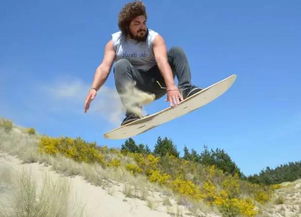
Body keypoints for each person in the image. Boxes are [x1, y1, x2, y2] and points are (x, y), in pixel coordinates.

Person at [84, 1, 201, 125]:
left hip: (159, 82)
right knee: (120, 65)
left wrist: (171, 87)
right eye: (137, 23)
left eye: (144, 22)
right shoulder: (114, 43)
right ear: (127, 26)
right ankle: (133, 112)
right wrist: (94, 88)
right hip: (138, 89)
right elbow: (104, 67)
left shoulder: (154, 38)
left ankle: (186, 89)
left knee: (176, 51)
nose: (142, 27)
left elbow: (161, 61)